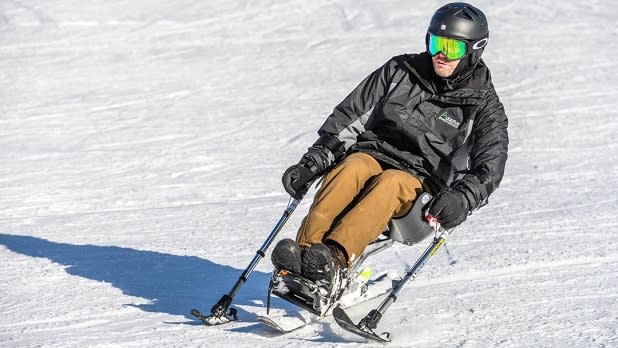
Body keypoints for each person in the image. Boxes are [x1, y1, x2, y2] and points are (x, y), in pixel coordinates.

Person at [271, 3, 508, 290]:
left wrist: (463, 199)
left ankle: (335, 260)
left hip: (422, 188)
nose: (441, 55)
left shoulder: (483, 105)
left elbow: (489, 168)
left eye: (453, 48)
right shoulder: (400, 70)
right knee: (353, 166)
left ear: (474, 50)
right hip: (372, 155)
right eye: (435, 43)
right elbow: (350, 117)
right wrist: (315, 160)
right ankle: (305, 255)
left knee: (391, 181)